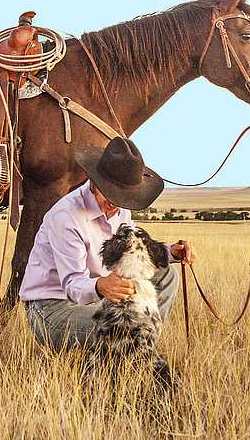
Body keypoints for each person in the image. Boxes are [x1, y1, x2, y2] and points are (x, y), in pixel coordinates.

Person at [19, 137, 195, 351]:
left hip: (99, 296)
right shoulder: (66, 216)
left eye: (123, 198)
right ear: (94, 182)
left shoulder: (121, 207)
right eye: (111, 197)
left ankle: (142, 345)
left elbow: (131, 251)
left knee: (168, 276)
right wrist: (100, 286)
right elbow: (73, 285)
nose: (116, 206)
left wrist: (171, 253)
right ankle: (133, 350)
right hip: (52, 307)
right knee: (122, 327)